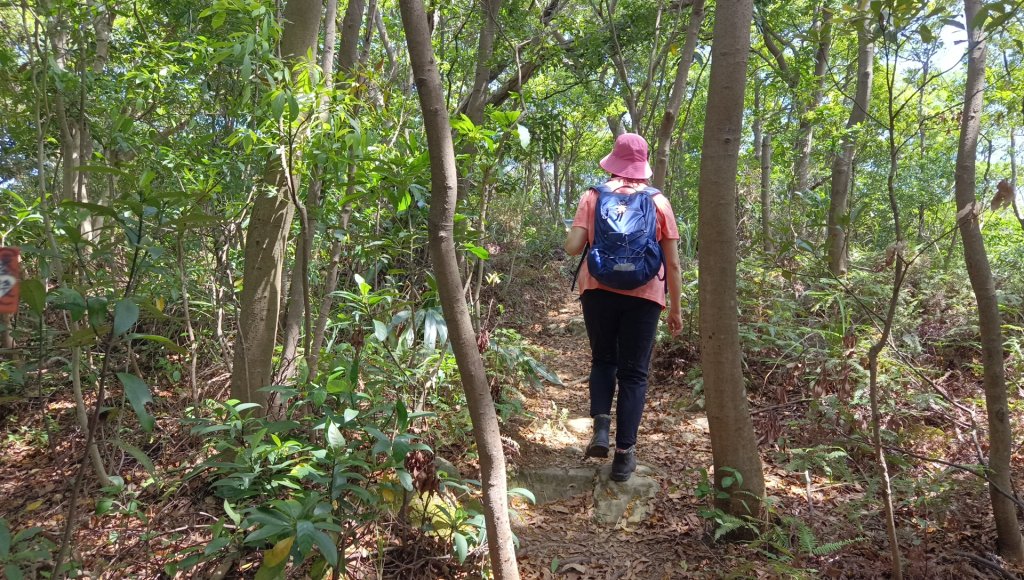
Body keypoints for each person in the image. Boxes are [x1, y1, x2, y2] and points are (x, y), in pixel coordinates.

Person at [564, 133, 683, 482]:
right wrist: (675, 309)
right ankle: (623, 456)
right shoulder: (658, 201)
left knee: (603, 359)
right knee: (634, 374)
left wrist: (575, 232)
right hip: (645, 295)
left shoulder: (593, 195)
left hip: (597, 289)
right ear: (643, 164)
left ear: (614, 160)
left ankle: (601, 427)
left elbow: (573, 248)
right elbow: (673, 264)